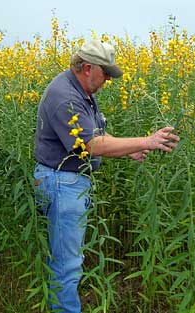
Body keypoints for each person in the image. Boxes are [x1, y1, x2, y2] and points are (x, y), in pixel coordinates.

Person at [33, 40, 180, 313]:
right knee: (67, 265)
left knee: (66, 261)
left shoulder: (81, 91)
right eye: (106, 74)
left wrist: (132, 149)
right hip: (61, 184)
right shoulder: (66, 97)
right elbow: (91, 145)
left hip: (67, 183)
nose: (108, 80)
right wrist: (146, 141)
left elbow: (97, 136)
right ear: (88, 68)